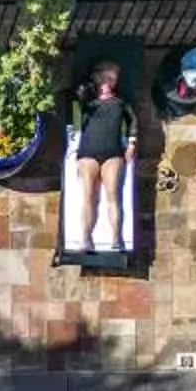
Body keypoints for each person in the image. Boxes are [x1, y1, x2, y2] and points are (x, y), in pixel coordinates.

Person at [72, 59, 132, 252]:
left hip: (112, 152)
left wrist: (132, 143)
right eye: (105, 77)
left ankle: (117, 238)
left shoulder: (121, 102)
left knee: (113, 194)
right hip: (88, 152)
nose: (109, 82)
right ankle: (86, 238)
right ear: (97, 78)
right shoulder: (86, 101)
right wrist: (87, 91)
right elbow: (75, 116)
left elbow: (133, 121)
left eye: (113, 79)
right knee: (89, 196)